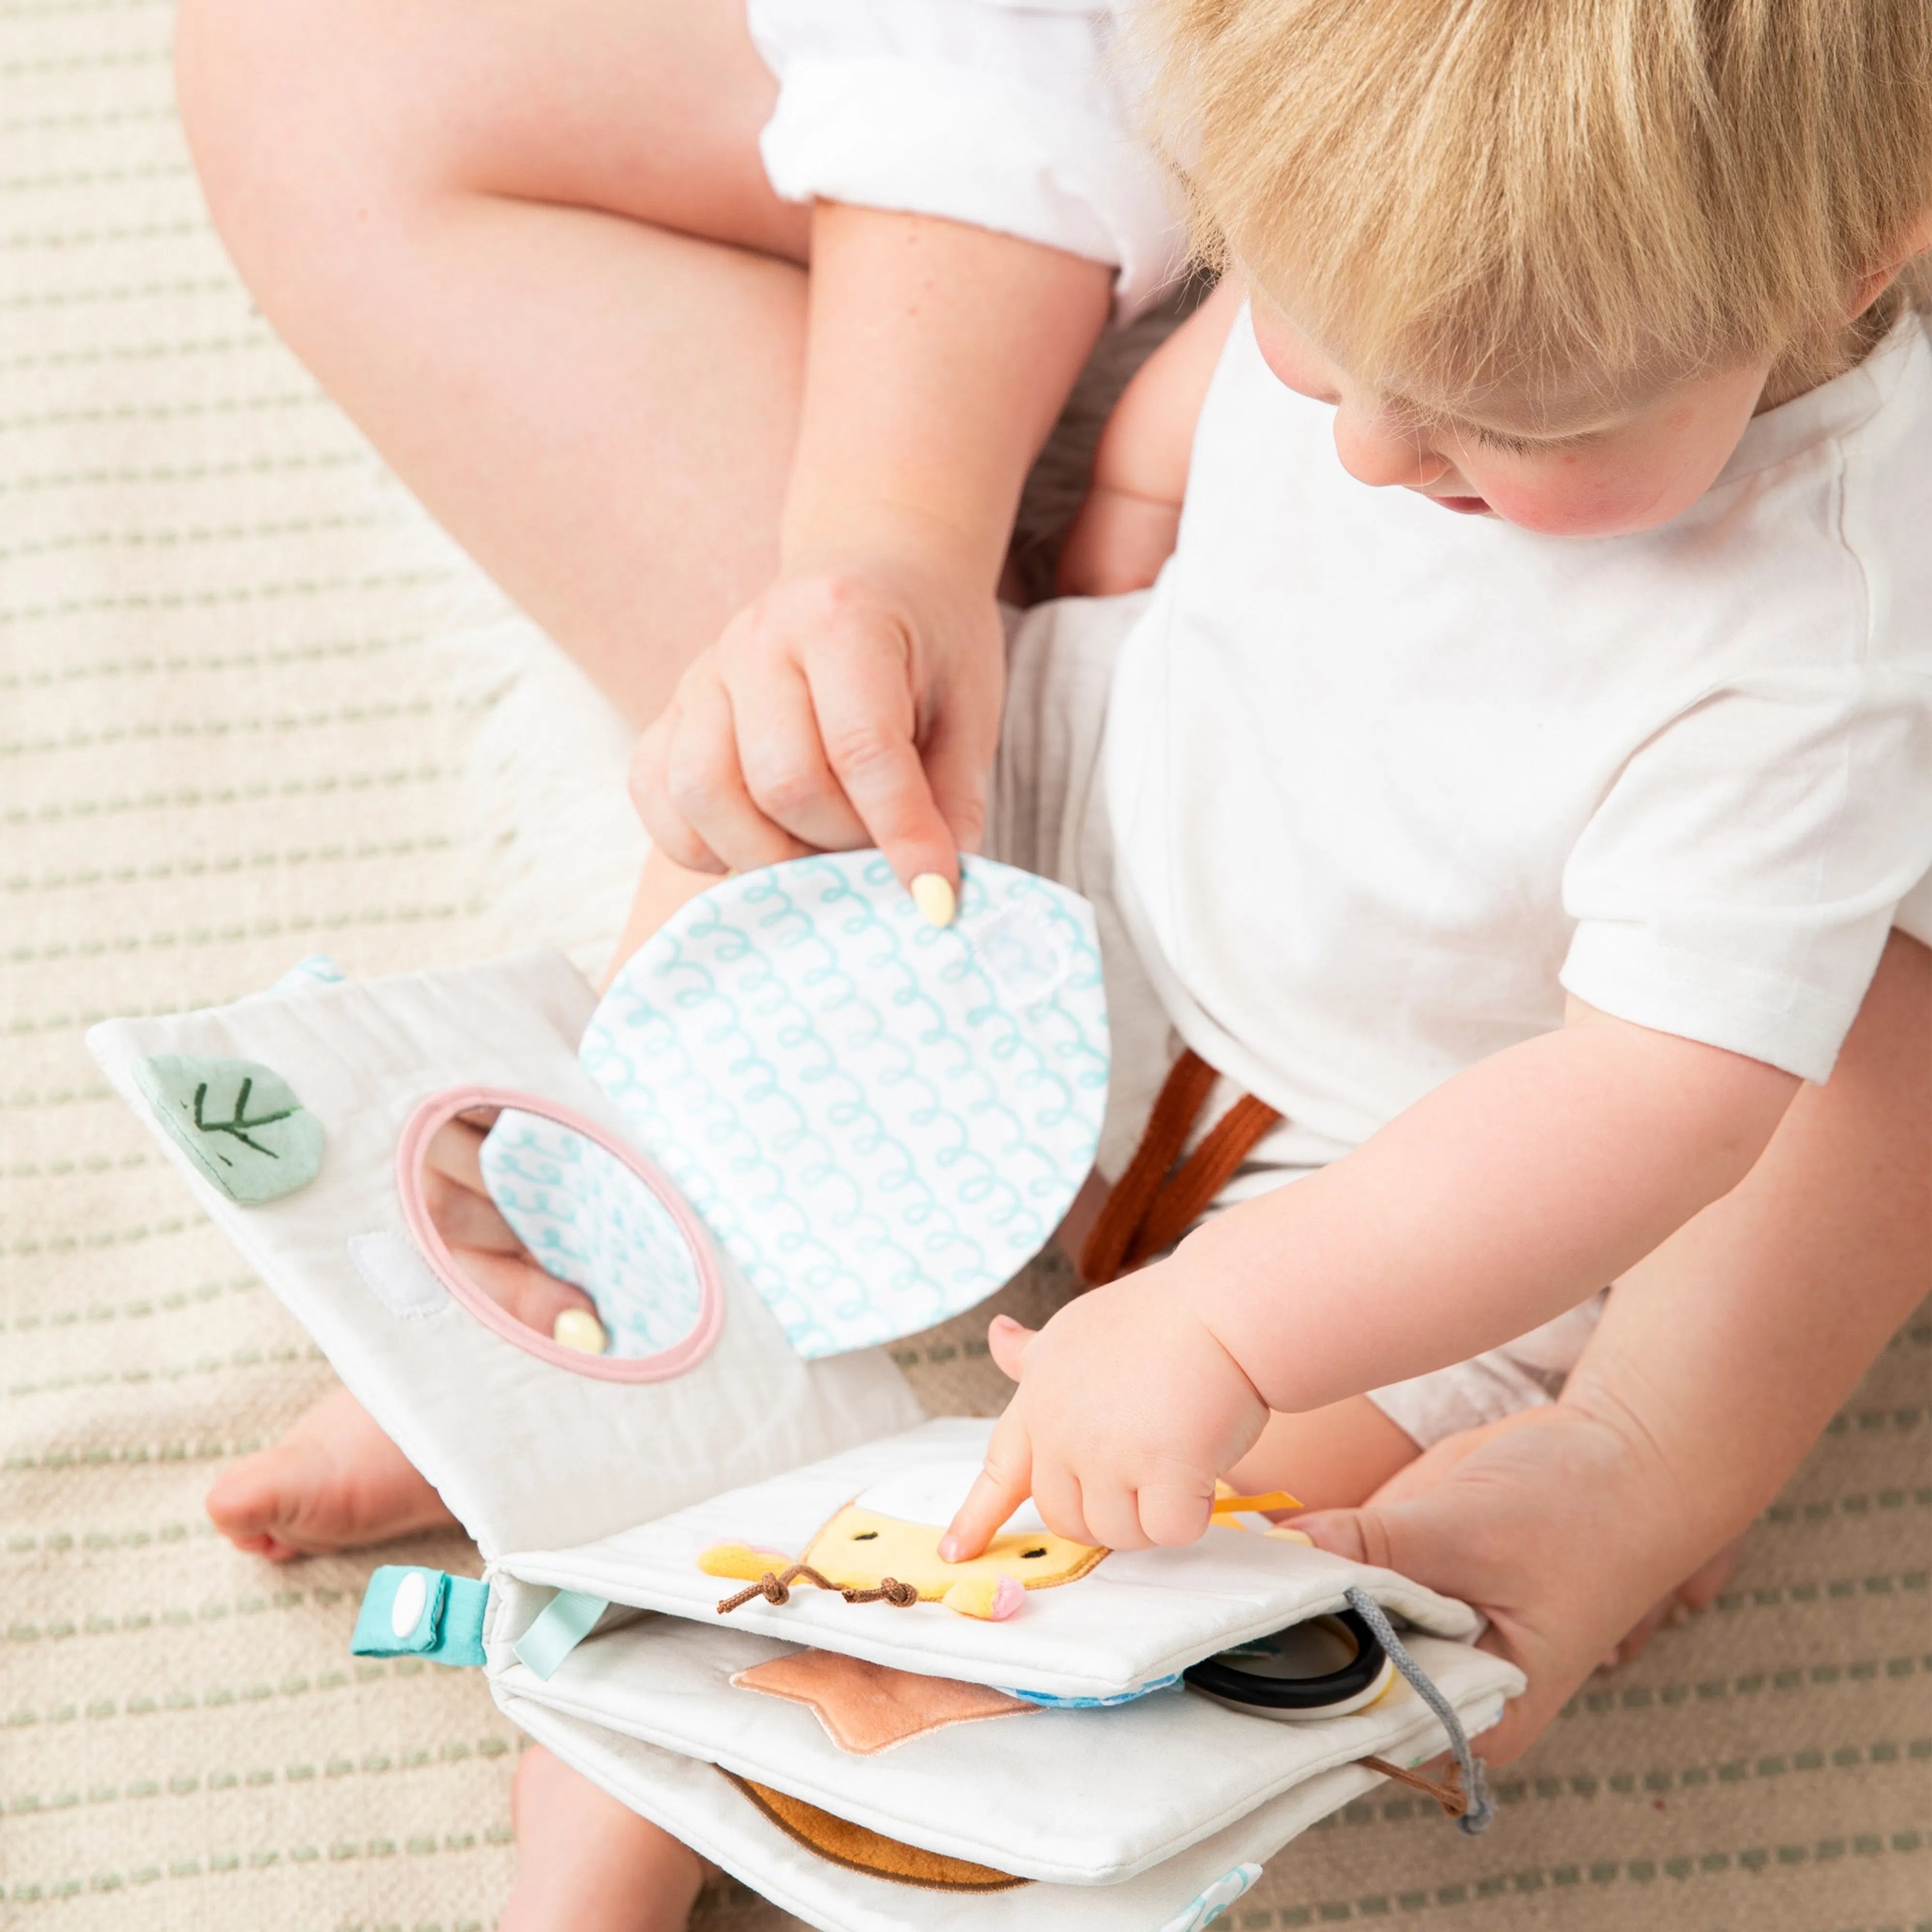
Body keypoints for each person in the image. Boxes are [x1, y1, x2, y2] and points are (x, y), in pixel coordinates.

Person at [170, 2, 1932, 1927]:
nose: (1366, 445)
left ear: (1862, 253)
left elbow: (1658, 1097)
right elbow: (1172, 455)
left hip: (1388, 1163)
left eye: (1508, 426)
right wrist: (1074, 579)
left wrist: (1235, 1325)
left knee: (1135, 1568)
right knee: (777, 865)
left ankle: (621, 1803)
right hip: (1099, 829)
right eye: (1318, 336)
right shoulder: (1383, 241)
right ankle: (552, 1364)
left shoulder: (1820, 638)